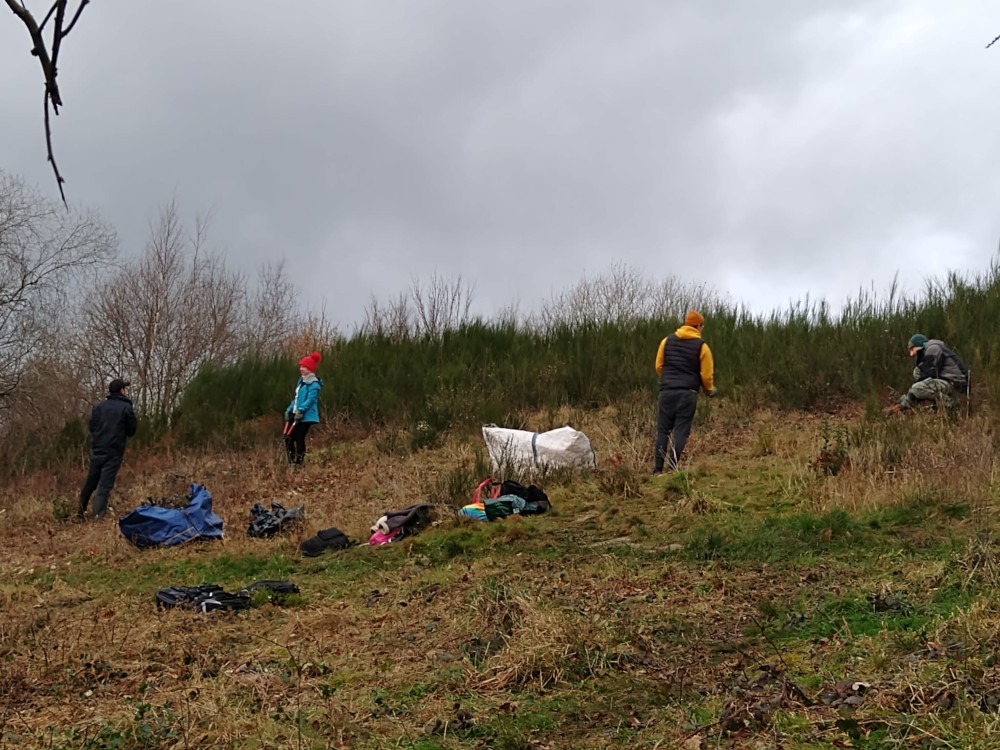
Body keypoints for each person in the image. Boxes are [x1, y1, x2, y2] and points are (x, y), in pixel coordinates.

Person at [653, 310, 717, 474]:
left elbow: (659, 366)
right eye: (702, 326)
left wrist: (669, 380)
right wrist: (709, 390)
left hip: (666, 392)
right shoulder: (702, 347)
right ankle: (672, 467)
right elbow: (706, 375)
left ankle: (658, 469)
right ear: (698, 326)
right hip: (687, 394)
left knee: (663, 431)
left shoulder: (666, 341)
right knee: (681, 431)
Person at [79, 378, 137, 521]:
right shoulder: (126, 407)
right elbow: (131, 430)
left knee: (91, 482)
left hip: (98, 449)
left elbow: (92, 427)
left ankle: (80, 512)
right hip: (114, 451)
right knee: (104, 485)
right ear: (122, 391)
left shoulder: (98, 407)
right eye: (125, 389)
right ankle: (98, 517)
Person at [889, 334, 968, 412]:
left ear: (919, 345)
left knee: (917, 388)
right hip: (951, 381)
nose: (911, 354)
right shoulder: (931, 349)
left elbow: (928, 374)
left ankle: (951, 403)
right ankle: (938, 404)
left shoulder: (933, 349)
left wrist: (910, 396)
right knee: (917, 372)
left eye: (912, 349)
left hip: (957, 385)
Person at [284, 351, 323, 465]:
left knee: (299, 437)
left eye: (304, 367)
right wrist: (289, 409)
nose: (301, 369)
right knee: (288, 438)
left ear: (310, 369)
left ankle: (298, 463)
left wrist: (301, 410)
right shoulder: (301, 382)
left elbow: (310, 400)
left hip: (306, 416)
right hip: (295, 413)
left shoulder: (314, 384)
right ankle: (291, 462)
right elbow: (296, 398)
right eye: (301, 366)